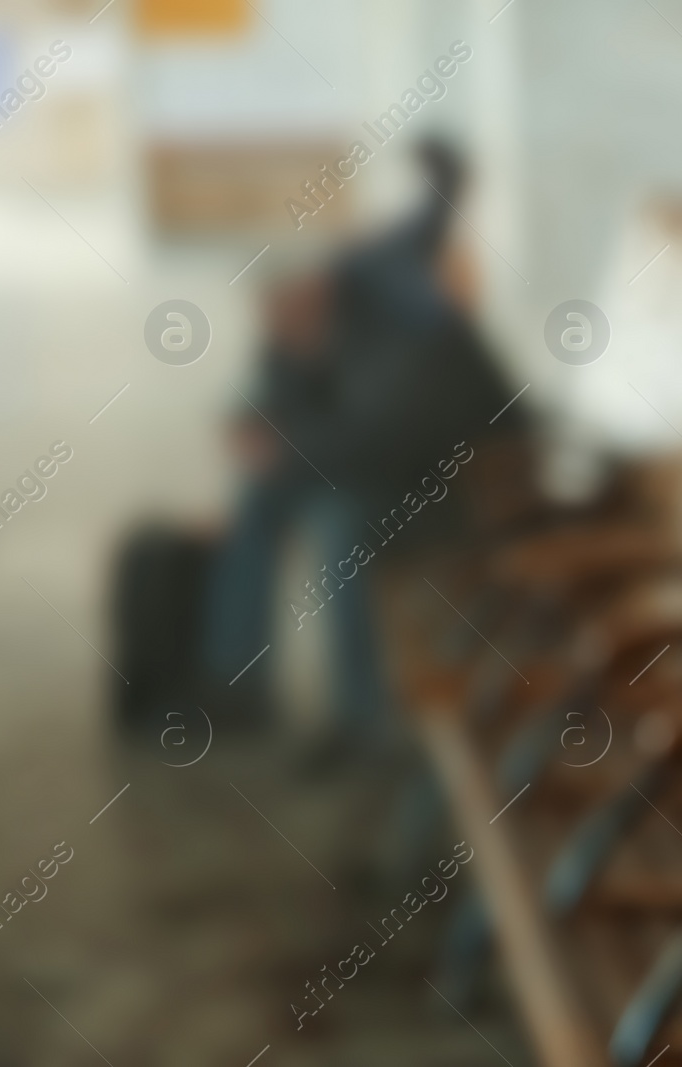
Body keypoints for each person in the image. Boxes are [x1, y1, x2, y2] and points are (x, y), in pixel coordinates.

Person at [204, 137, 513, 749]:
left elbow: (386, 436)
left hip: (461, 483)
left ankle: (362, 718)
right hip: (375, 464)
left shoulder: (396, 326)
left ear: (318, 293)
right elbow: (275, 392)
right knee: (258, 496)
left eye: (288, 319)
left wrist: (285, 449)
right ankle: (236, 684)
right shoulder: (299, 326)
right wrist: (250, 422)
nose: (279, 338)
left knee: (339, 524)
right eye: (272, 324)